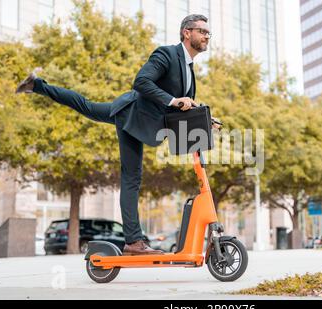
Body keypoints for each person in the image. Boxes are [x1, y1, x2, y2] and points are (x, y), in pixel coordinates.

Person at [16, 14, 216, 255]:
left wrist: (204, 117)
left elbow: (182, 104)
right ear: (187, 32)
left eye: (208, 33)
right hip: (132, 115)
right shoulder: (166, 54)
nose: (207, 36)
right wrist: (173, 100)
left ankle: (37, 85)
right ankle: (133, 241)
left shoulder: (189, 69)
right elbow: (141, 81)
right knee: (131, 177)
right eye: (203, 31)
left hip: (141, 119)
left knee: (87, 106)